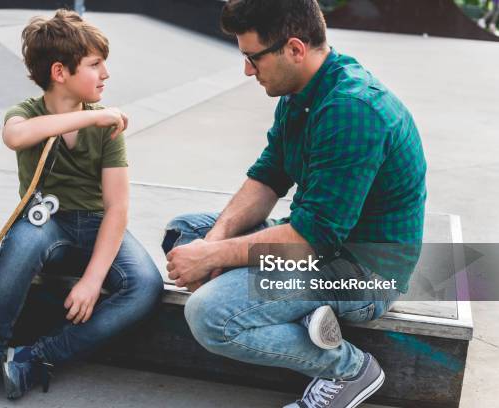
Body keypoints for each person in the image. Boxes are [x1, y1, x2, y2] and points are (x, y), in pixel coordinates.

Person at [162, 1, 426, 407]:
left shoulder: (352, 110)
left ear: (295, 49)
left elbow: (310, 240)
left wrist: (212, 257)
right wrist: (210, 246)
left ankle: (349, 369)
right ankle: (302, 315)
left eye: (253, 58)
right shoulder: (301, 92)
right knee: (185, 232)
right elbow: (267, 178)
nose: (248, 71)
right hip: (319, 244)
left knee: (209, 315)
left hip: (363, 271)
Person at [0, 9, 164, 406]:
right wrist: (89, 119)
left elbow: (117, 208)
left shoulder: (106, 127)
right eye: (95, 65)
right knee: (20, 246)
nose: (106, 74)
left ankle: (39, 357)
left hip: (97, 224)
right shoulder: (29, 113)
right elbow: (15, 137)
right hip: (47, 223)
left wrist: (92, 280)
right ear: (60, 72)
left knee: (146, 285)